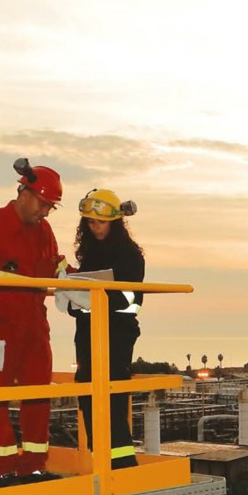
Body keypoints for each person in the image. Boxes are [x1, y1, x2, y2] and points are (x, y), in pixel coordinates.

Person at [0, 158, 67, 487]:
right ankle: (4, 470)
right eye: (44, 204)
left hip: (34, 328)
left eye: (51, 207)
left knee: (38, 397)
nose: (46, 212)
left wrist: (79, 280)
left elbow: (53, 268)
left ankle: (33, 467)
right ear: (25, 193)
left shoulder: (44, 232)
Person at [66, 189, 144, 469]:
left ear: (115, 221)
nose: (94, 227)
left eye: (100, 221)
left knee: (111, 397)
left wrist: (88, 298)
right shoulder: (91, 254)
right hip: (88, 334)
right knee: (88, 393)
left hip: (117, 334)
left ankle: (122, 465)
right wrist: (75, 294)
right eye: (89, 222)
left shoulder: (129, 255)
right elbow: (85, 299)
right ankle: (102, 460)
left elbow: (130, 299)